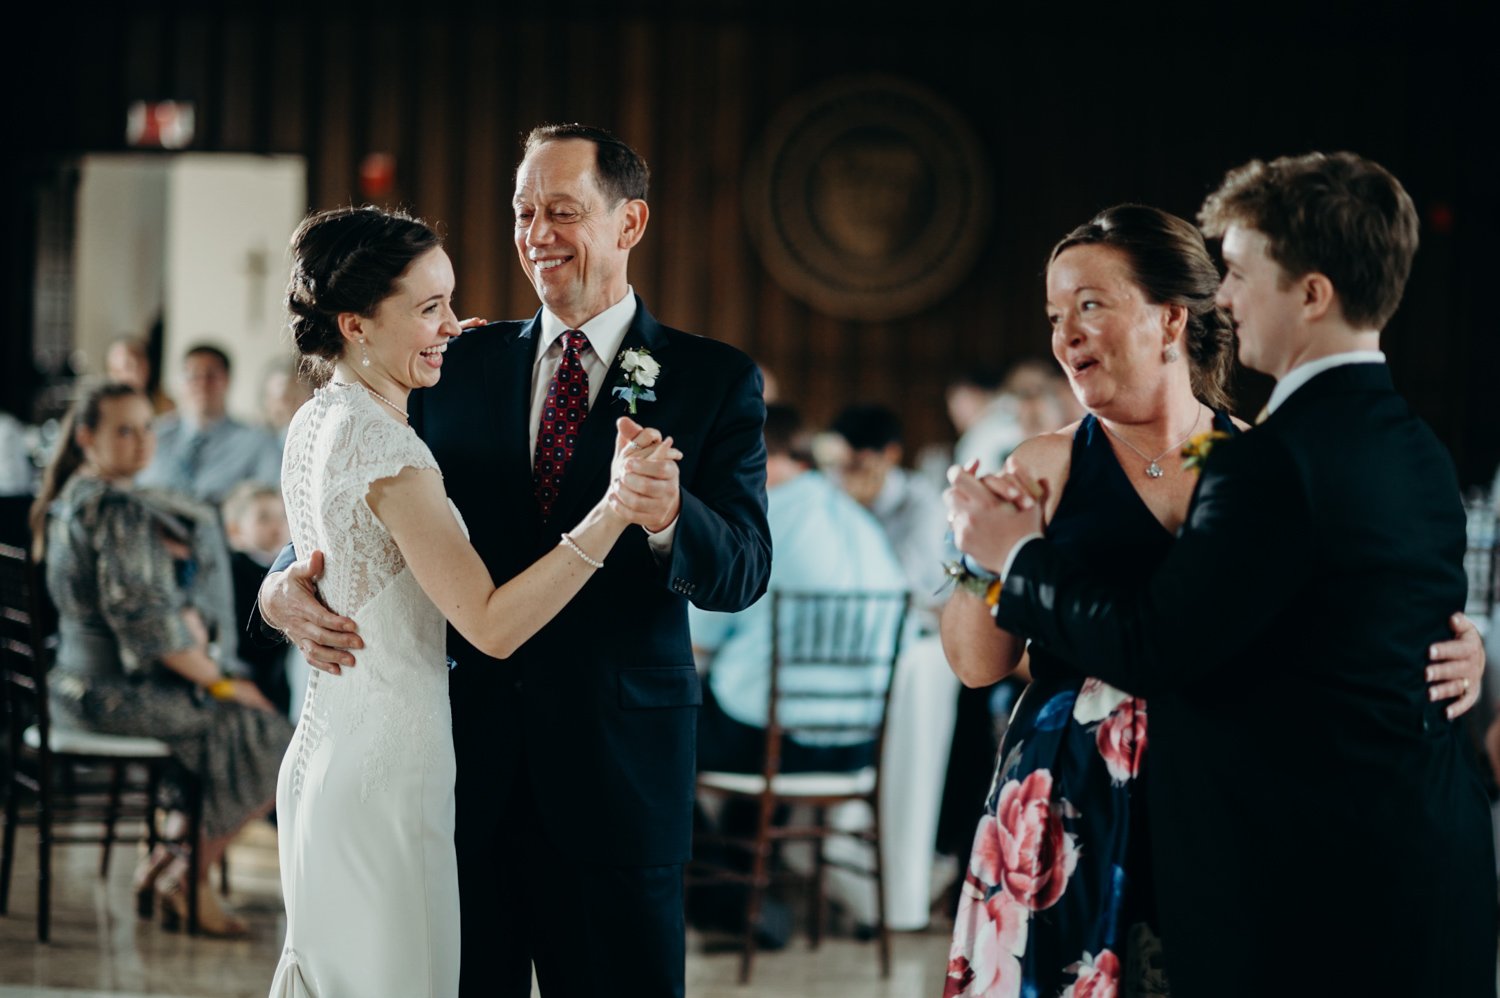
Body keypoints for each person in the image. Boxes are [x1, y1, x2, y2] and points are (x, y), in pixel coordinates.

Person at [948, 156, 1495, 997]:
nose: (1065, 334)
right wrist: (979, 556)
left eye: (1091, 304)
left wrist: (1461, 650)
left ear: (1171, 319)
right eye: (1056, 313)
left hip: (1229, 805)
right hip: (1073, 797)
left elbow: (1234, 627)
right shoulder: (1046, 461)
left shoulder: (1253, 457)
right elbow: (979, 662)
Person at [260, 125, 772, 998]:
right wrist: (282, 585)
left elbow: (745, 567)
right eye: (523, 211)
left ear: (630, 222)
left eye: (562, 211)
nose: (537, 233)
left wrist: (666, 516)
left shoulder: (709, 378)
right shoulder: (452, 362)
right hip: (461, 770)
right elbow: (370, 501)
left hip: (617, 779)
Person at [30, 381, 291, 937]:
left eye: (147, 427)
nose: (141, 441)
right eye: (123, 430)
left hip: (69, 687)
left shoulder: (72, 498)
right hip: (108, 698)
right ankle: (188, 879)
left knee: (222, 733)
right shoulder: (115, 510)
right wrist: (223, 683)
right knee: (272, 736)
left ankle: (163, 866)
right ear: (86, 438)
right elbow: (151, 631)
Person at [136, 344, 282, 505]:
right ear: (180, 383)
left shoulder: (258, 443)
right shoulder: (151, 437)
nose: (202, 385)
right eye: (193, 376)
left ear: (227, 381)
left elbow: (272, 504)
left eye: (211, 376)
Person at [222, 481, 294, 717]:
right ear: (235, 530)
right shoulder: (234, 569)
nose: (276, 525)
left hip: (275, 674)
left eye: (281, 517)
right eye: (263, 518)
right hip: (244, 674)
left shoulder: (286, 569)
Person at [107, 334, 175, 415]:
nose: (136, 370)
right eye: (128, 365)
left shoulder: (164, 404)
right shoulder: (107, 408)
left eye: (140, 360)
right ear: (112, 373)